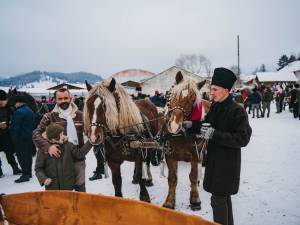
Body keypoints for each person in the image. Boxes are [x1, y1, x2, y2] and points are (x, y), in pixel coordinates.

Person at [183, 67, 252, 225]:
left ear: (226, 90)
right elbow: (206, 126)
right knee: (223, 198)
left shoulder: (237, 111)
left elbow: (243, 138)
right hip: (215, 162)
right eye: (211, 89)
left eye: (215, 89)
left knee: (218, 200)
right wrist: (191, 125)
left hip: (227, 165)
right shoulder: (216, 107)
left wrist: (214, 134)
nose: (211, 93)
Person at [32, 88, 86, 191]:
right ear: (55, 100)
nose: (63, 101)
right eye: (60, 99)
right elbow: (35, 134)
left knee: (80, 189)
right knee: (63, 192)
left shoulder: (81, 115)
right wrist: (48, 147)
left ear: (70, 98)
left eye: (66, 98)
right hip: (61, 160)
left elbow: (90, 131)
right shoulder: (49, 116)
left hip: (78, 158)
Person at [35, 123, 92, 190]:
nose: (63, 136)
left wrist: (90, 142)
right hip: (52, 188)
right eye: (61, 134)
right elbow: (38, 168)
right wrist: (44, 179)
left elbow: (80, 154)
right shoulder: (43, 150)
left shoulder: (68, 145)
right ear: (55, 137)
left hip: (68, 187)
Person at [10, 94, 36, 183]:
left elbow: (15, 127)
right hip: (29, 137)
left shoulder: (18, 112)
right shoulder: (29, 110)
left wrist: (13, 139)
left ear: (18, 102)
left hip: (20, 138)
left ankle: (25, 175)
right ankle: (28, 173)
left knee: (22, 157)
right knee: (28, 156)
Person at [0, 90, 22, 177]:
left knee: (9, 152)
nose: (1, 103)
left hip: (7, 134)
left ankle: (15, 168)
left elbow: (15, 120)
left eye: (3, 101)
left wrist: (8, 124)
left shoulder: (10, 108)